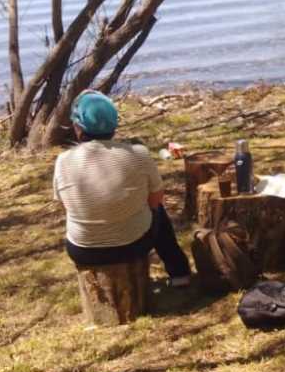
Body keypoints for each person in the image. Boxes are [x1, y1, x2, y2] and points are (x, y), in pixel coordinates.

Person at [54, 90, 192, 285]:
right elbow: (155, 201)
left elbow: (67, 206)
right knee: (159, 212)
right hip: (133, 245)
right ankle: (179, 273)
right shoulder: (139, 154)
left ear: (78, 128)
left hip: (83, 250)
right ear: (114, 125)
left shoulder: (63, 160)